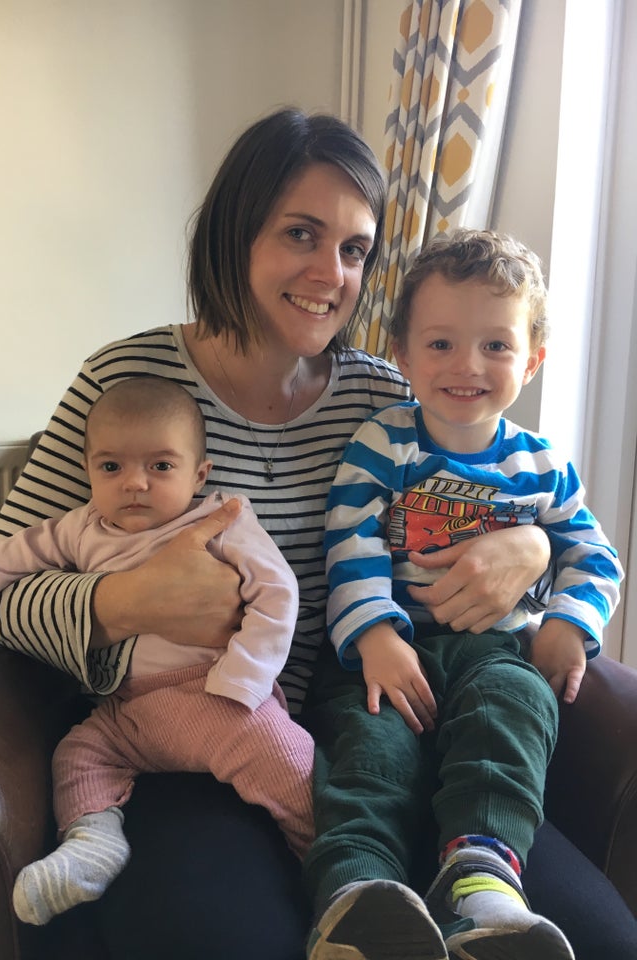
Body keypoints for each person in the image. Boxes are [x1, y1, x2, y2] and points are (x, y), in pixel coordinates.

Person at [0, 109, 636, 959]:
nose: (331, 273)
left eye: (355, 250)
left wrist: (531, 551)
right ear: (236, 234)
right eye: (301, 235)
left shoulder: (388, 398)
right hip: (192, 742)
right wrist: (120, 601)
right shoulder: (127, 380)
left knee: (601, 938)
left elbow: (488, 535)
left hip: (377, 728)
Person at [305, 229, 624, 960]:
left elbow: (595, 555)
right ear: (405, 354)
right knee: (368, 750)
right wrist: (376, 638)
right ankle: (355, 897)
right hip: (385, 658)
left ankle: (481, 884)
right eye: (442, 344)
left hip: (495, 655)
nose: (467, 367)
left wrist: (569, 625)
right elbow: (349, 543)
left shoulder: (543, 465)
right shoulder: (383, 443)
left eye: (496, 346)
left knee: (509, 717)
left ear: (532, 359)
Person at [0, 375, 314, 924]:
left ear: (200, 474)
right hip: (130, 713)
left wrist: (244, 680)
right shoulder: (80, 528)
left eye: (160, 466)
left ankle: (332, 871)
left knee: (291, 765)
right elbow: (3, 559)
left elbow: (278, 593)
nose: (135, 484)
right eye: (112, 467)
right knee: (77, 756)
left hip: (219, 699)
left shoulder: (221, 519)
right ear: (87, 471)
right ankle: (92, 846)